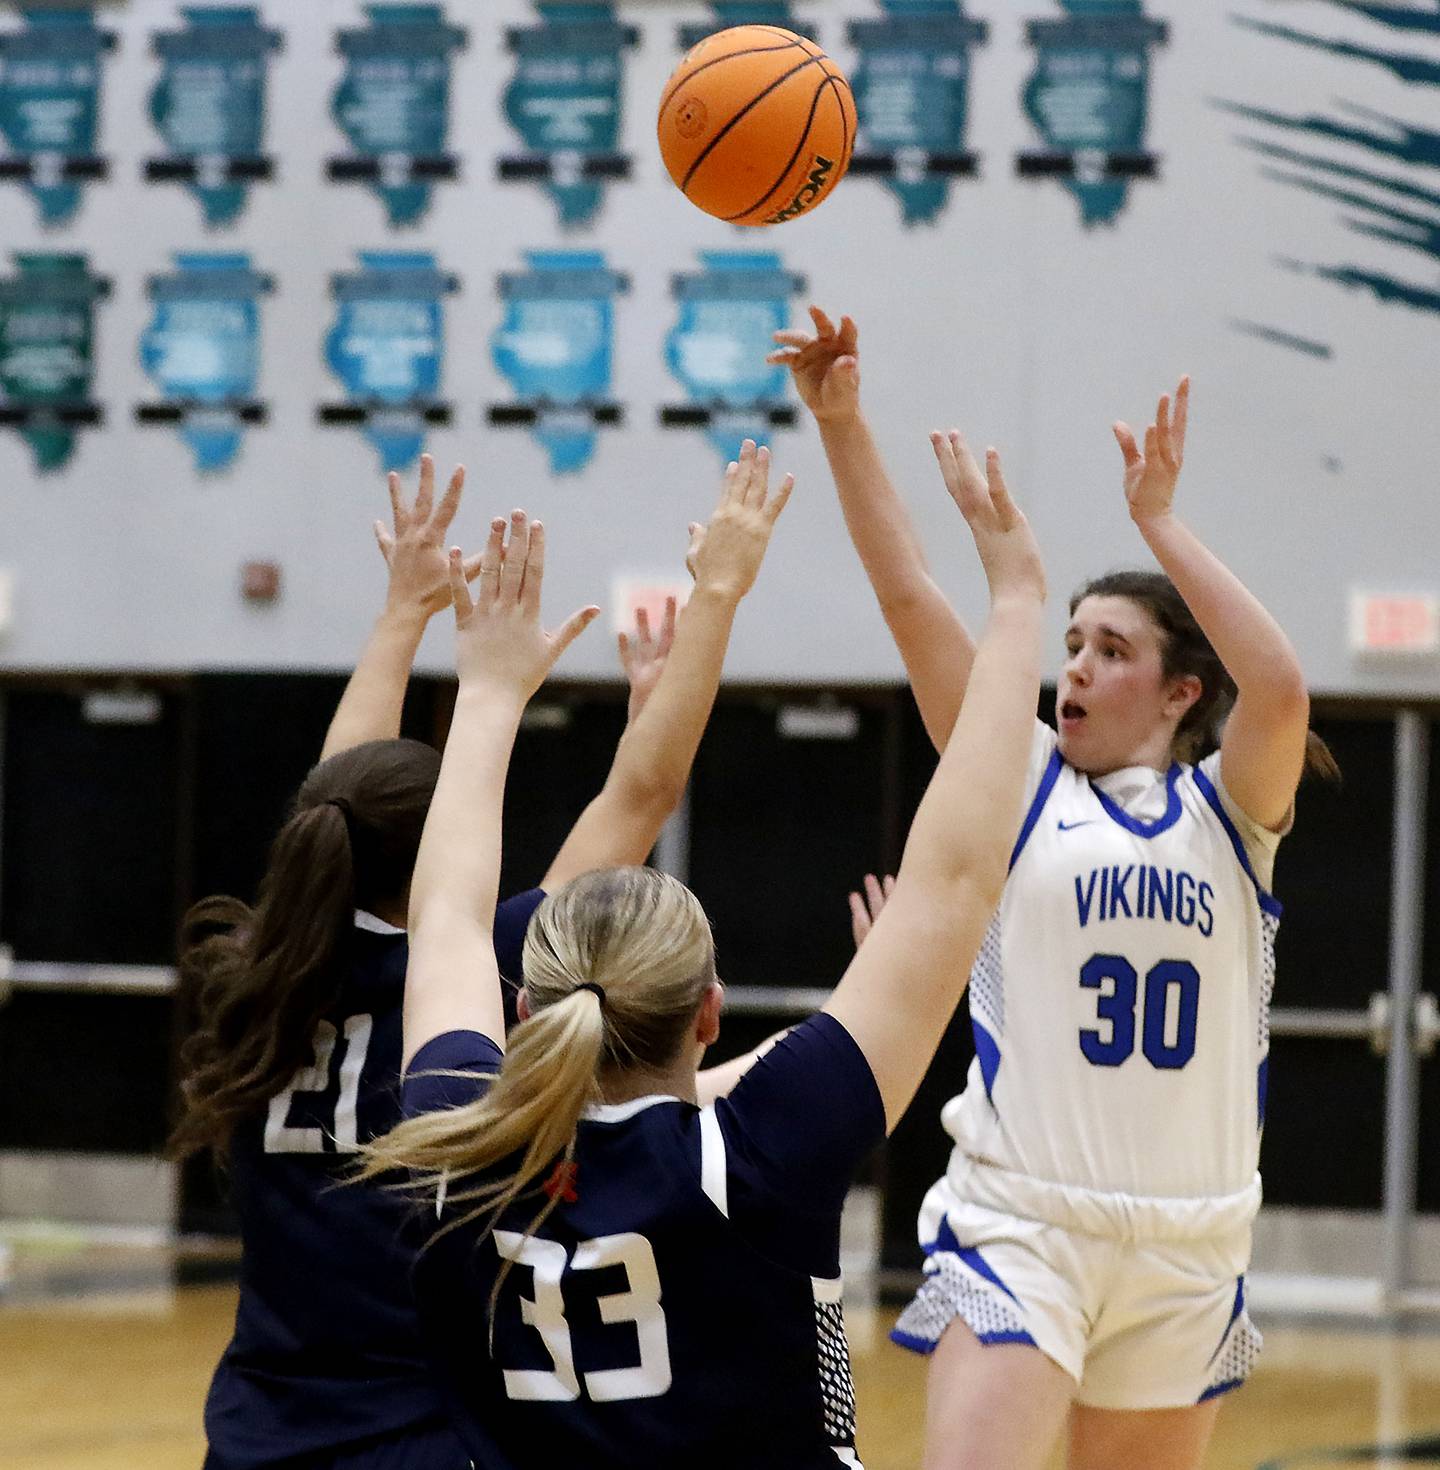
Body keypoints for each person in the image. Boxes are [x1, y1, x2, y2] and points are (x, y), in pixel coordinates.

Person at [360, 432, 1046, 1470]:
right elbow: (956, 876)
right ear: (708, 1012)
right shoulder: (761, 1151)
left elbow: (448, 914)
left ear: (527, 1010)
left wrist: (489, 692)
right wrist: (1017, 605)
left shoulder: (455, 1141)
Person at [770, 308, 1334, 1470]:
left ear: (1181, 693)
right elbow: (915, 598)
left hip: (1193, 1240)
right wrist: (840, 425)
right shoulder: (1019, 776)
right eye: (1069, 641)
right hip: (1025, 1226)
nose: (1074, 664)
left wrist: (1161, 524)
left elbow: (1277, 685)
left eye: (1111, 649)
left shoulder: (1229, 815)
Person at [171, 445, 786, 1470]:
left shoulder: (257, 968)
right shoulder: (481, 972)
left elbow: (335, 793)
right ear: (443, 849)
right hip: (418, 1427)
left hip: (256, 1426)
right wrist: (715, 600)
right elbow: (643, 795)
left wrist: (400, 614)